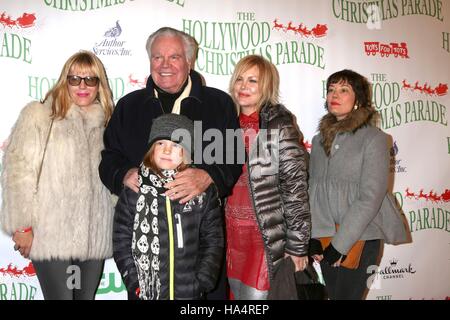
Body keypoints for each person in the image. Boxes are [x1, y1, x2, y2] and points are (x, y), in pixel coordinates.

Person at [99, 27, 242, 299]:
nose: (164, 65)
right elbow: (108, 158)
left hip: (198, 248)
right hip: (147, 257)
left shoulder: (217, 103)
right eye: (157, 57)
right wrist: (123, 174)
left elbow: (233, 159)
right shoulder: (128, 106)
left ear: (189, 61)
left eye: (174, 57)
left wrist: (208, 176)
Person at [0, 50, 115, 300]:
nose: (82, 86)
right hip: (50, 235)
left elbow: (112, 184)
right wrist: (22, 226)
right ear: (65, 81)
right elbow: (18, 173)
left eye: (90, 79)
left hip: (93, 239)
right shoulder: (39, 116)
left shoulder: (107, 125)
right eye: (75, 79)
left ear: (99, 85)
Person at [308, 69, 408, 300]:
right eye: (331, 89)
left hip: (361, 237)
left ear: (358, 100)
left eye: (344, 90)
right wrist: (313, 236)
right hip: (325, 237)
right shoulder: (318, 140)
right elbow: (313, 190)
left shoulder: (374, 138)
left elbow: (370, 197)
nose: (335, 94)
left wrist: (339, 245)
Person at [225, 55, 311, 300]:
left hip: (264, 239)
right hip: (230, 238)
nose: (244, 86)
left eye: (253, 80)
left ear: (267, 87)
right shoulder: (224, 123)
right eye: (240, 79)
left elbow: (296, 188)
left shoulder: (279, 125)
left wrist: (297, 246)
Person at [113, 113, 224, 300]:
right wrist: (135, 282)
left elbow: (213, 239)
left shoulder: (202, 193)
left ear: (187, 153)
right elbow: (121, 240)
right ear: (151, 149)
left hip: (189, 293)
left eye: (175, 145)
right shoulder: (134, 190)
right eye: (160, 144)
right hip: (145, 292)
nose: (166, 150)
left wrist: (203, 280)